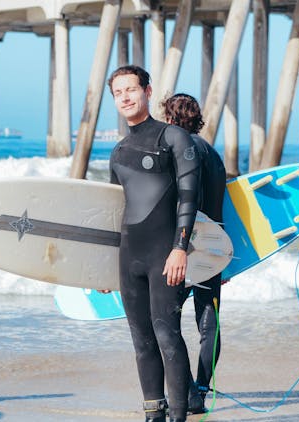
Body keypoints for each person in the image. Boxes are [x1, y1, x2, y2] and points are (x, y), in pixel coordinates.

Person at [107, 65, 200, 422]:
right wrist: (100, 267)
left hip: (165, 253)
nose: (126, 97)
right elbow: (112, 212)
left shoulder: (174, 138)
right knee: (141, 340)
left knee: (166, 333)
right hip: (130, 257)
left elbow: (189, 198)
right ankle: (153, 415)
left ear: (147, 91)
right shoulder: (118, 153)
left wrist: (181, 247)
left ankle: (178, 416)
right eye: (119, 93)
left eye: (132, 89)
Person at [162, 93, 227, 414]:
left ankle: (186, 392)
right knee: (209, 322)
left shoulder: (177, 149)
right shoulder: (215, 155)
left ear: (169, 119)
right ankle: (200, 388)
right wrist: (225, 258)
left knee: (166, 324)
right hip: (213, 249)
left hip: (180, 248)